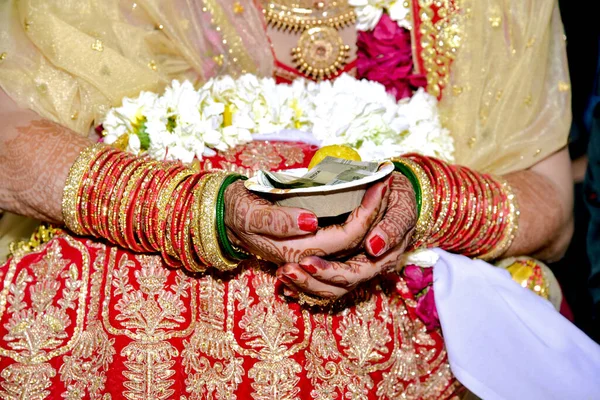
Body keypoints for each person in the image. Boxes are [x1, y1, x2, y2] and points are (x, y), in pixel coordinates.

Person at [0, 0, 598, 399]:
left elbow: (552, 206)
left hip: (426, 310)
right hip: (142, 291)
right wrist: (199, 211)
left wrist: (424, 203)